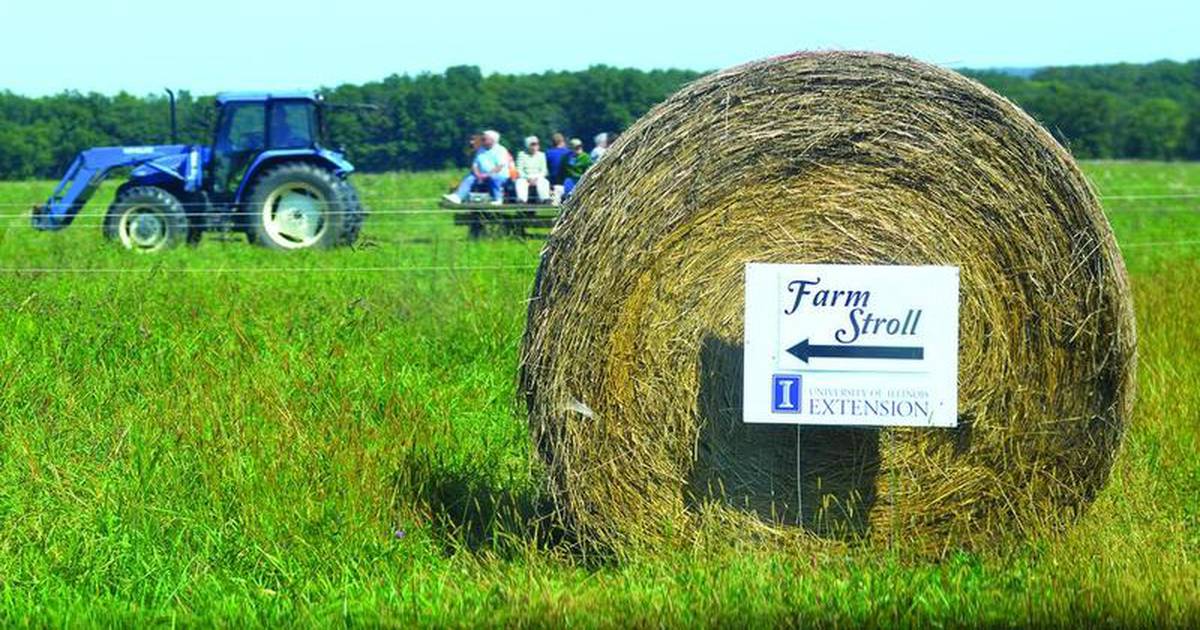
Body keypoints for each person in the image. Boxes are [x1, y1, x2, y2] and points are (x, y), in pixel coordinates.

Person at [443, 130, 511, 205]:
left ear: (492, 140)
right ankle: (458, 197)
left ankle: (498, 199)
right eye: (482, 139)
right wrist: (477, 174)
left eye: (484, 139)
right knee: (469, 178)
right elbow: (475, 164)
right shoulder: (481, 150)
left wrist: (486, 175)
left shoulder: (501, 150)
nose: (482, 141)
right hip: (482, 175)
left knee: (494, 178)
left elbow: (499, 167)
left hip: (499, 175)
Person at [515, 136, 550, 203]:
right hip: (525, 177)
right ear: (527, 145)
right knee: (520, 182)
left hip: (538, 176)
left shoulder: (542, 155)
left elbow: (544, 170)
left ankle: (545, 199)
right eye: (532, 145)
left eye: (536, 145)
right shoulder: (521, 155)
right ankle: (521, 200)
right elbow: (519, 170)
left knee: (544, 182)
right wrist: (527, 178)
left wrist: (536, 178)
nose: (534, 147)